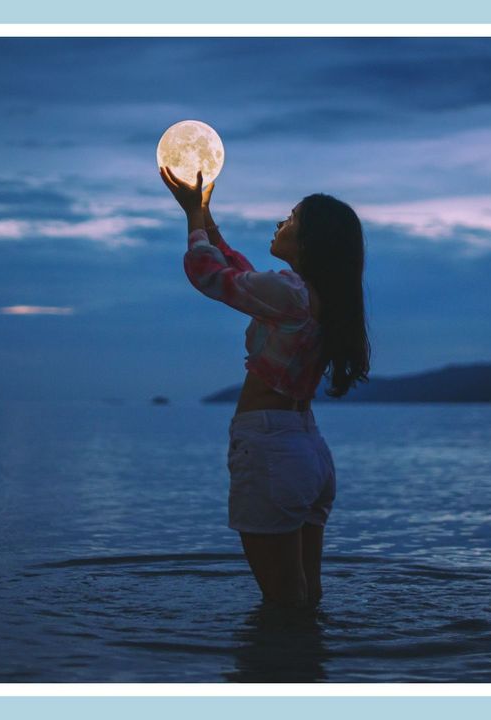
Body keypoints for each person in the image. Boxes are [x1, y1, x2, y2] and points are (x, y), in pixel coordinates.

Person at [159, 166, 370, 608]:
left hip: (272, 449)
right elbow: (243, 275)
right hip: (305, 451)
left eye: (290, 219)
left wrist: (192, 219)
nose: (280, 224)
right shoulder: (318, 298)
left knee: (282, 604)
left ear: (310, 242)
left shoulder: (291, 294)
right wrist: (205, 215)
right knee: (306, 597)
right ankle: (309, 670)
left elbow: (208, 274)